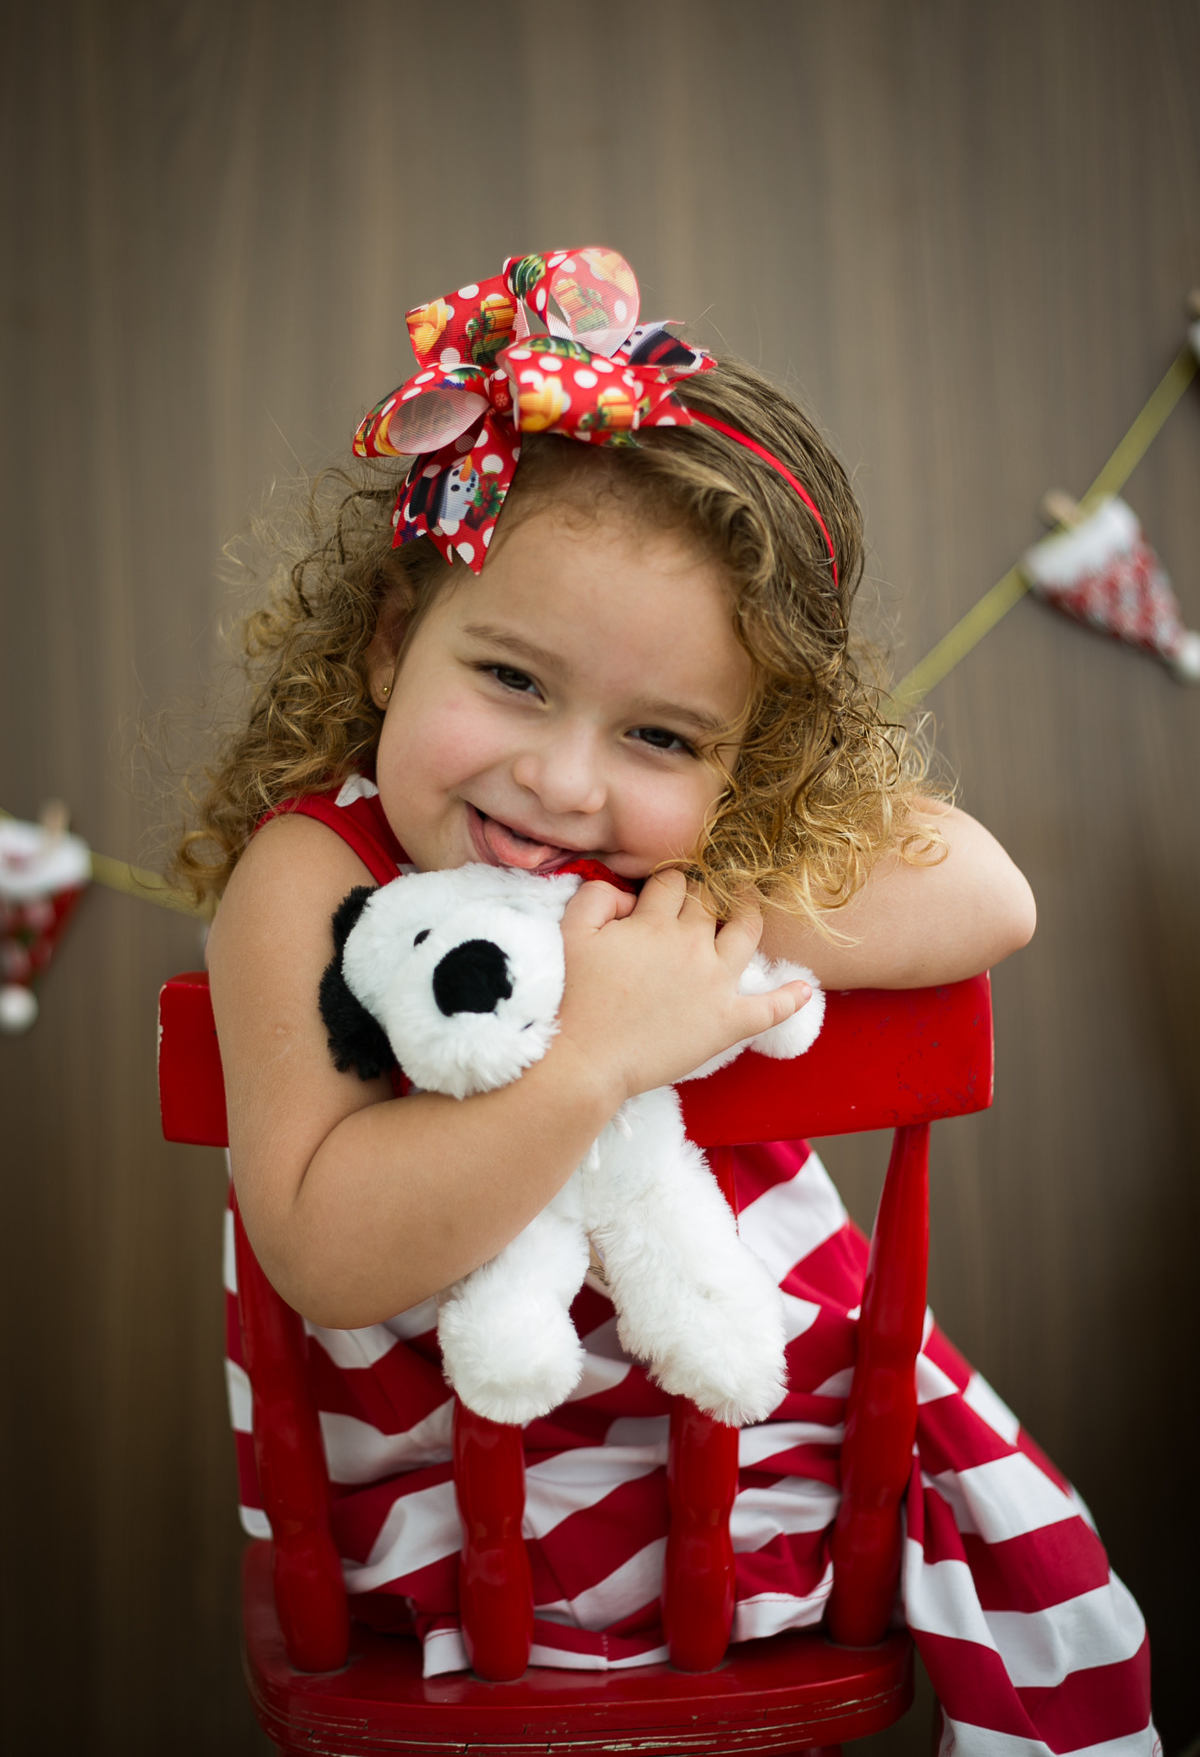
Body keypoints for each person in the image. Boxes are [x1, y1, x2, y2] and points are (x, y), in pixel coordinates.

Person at [178, 249, 1154, 1753]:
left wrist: (669, 934)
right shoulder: (311, 875)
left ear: (748, 757)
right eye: (509, 677)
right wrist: (596, 1048)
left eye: (661, 734)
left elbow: (991, 896)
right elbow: (320, 1249)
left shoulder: (681, 877)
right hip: (459, 1537)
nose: (565, 783)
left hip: (759, 1499)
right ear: (391, 640)